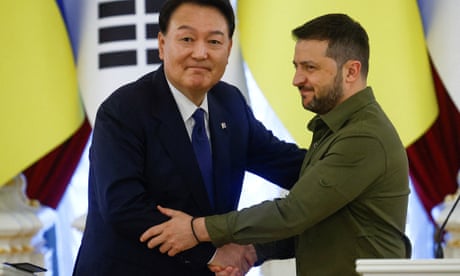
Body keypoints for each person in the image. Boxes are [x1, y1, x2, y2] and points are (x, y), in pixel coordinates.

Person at [140, 13, 411, 275]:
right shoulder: (333, 129)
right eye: (296, 66)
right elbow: (322, 224)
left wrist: (198, 229)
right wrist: (253, 251)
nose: (296, 80)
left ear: (351, 71)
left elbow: (294, 212)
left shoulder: (364, 137)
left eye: (310, 68)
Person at [72, 0, 306, 275]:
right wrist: (213, 253)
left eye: (214, 42)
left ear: (229, 49)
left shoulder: (230, 104)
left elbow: (289, 165)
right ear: (161, 44)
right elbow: (124, 207)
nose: (200, 52)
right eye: (187, 39)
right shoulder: (123, 110)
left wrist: (353, 164)